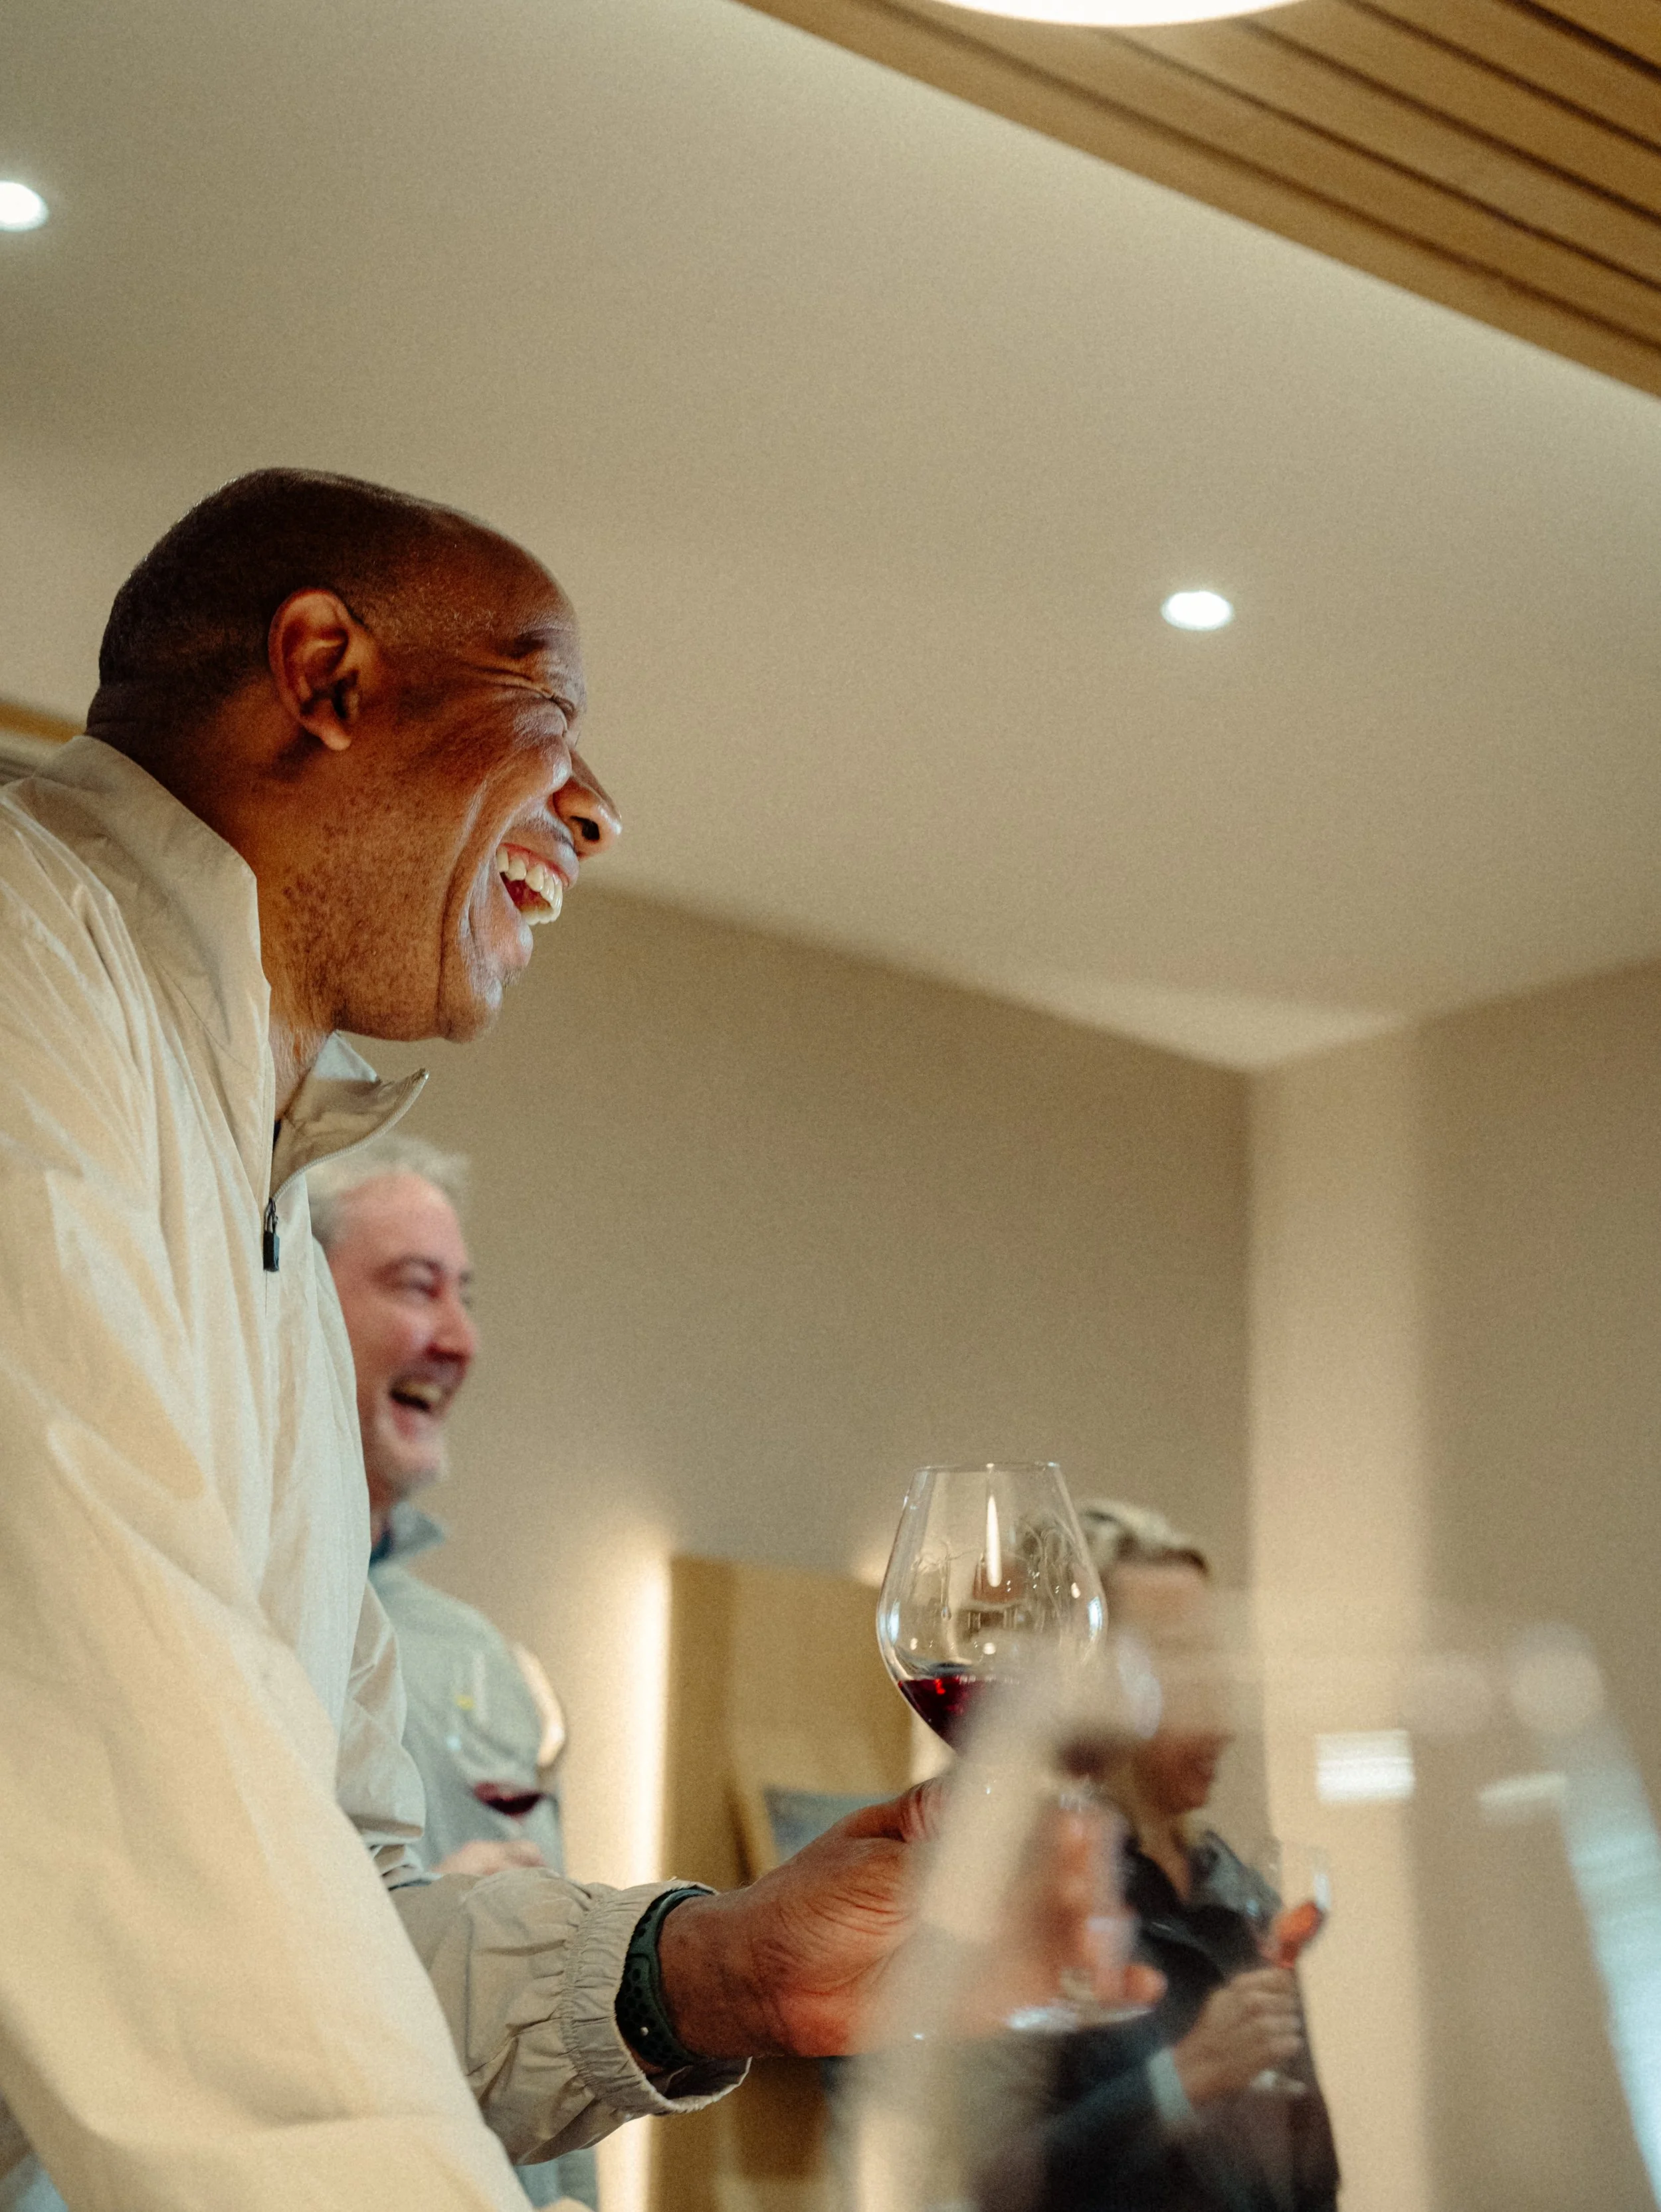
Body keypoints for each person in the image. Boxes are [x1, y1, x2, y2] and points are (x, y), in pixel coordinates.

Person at [0, 470, 983, 2212]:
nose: (597, 813)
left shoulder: (279, 1264)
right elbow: (114, 1776)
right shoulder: (24, 964)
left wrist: (721, 1964)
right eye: (548, 709)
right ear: (326, 675)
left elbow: (336, 1921)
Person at [308, 1131, 597, 2212]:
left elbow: (554, 1978)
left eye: (464, 1295)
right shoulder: (210, 1619)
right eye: (413, 1287)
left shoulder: (482, 1659)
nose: (460, 1338)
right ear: (290, 1305)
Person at [1016, 1501, 1340, 2212]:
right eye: (1180, 1662)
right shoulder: (1015, 1900)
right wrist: (1181, 2080)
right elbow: (971, 2185)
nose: (1222, 1714)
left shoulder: (1243, 1897)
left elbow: (1313, 2181)